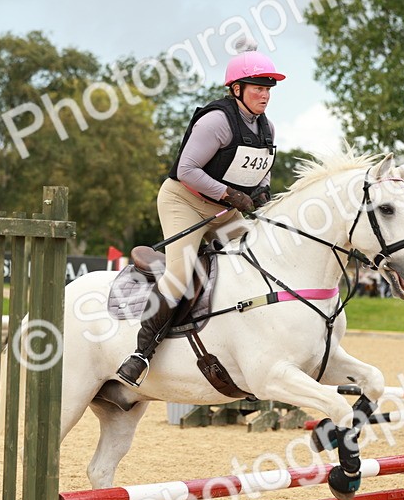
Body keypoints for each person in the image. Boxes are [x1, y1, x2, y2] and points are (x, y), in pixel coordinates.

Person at [115, 40, 283, 386]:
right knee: (178, 276)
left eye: (268, 88)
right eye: (258, 87)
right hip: (185, 202)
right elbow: (186, 169)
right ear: (236, 89)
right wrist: (229, 194)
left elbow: (261, 167)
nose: (265, 94)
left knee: (258, 259)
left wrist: (262, 192)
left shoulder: (267, 127)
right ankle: (141, 353)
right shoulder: (217, 121)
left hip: (223, 210)